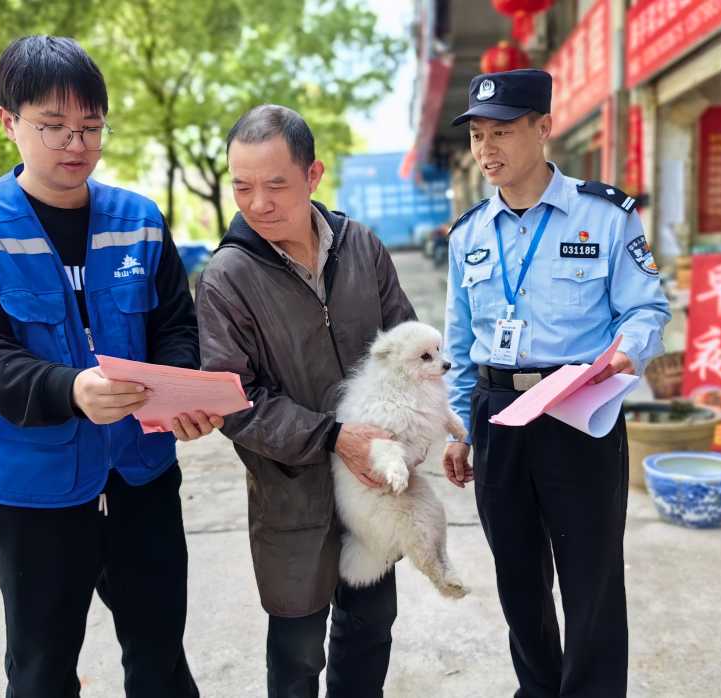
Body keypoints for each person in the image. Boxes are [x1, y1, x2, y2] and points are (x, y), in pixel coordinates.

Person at [0, 35, 220, 698]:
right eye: (53, 126)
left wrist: (180, 396)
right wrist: (69, 388)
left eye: (90, 127)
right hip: (36, 491)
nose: (75, 144)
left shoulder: (139, 221)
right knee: (41, 670)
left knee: (160, 656)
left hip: (141, 476)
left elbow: (175, 325)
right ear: (9, 122)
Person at [441, 68, 671, 698]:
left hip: (577, 409)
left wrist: (627, 351)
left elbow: (646, 308)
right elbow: (458, 342)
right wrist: (459, 428)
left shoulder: (605, 215)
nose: (487, 149)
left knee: (591, 574)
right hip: (496, 412)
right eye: (478, 135)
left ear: (543, 128)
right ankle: (538, 689)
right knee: (517, 575)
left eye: (502, 132)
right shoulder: (468, 234)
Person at [194, 104, 416, 698]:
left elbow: (405, 347)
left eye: (275, 185)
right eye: (242, 187)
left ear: (313, 175)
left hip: (372, 487)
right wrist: (333, 438)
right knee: (296, 653)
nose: (258, 204)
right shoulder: (227, 277)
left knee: (371, 630)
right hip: (291, 493)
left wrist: (405, 436)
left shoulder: (361, 246)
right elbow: (234, 401)